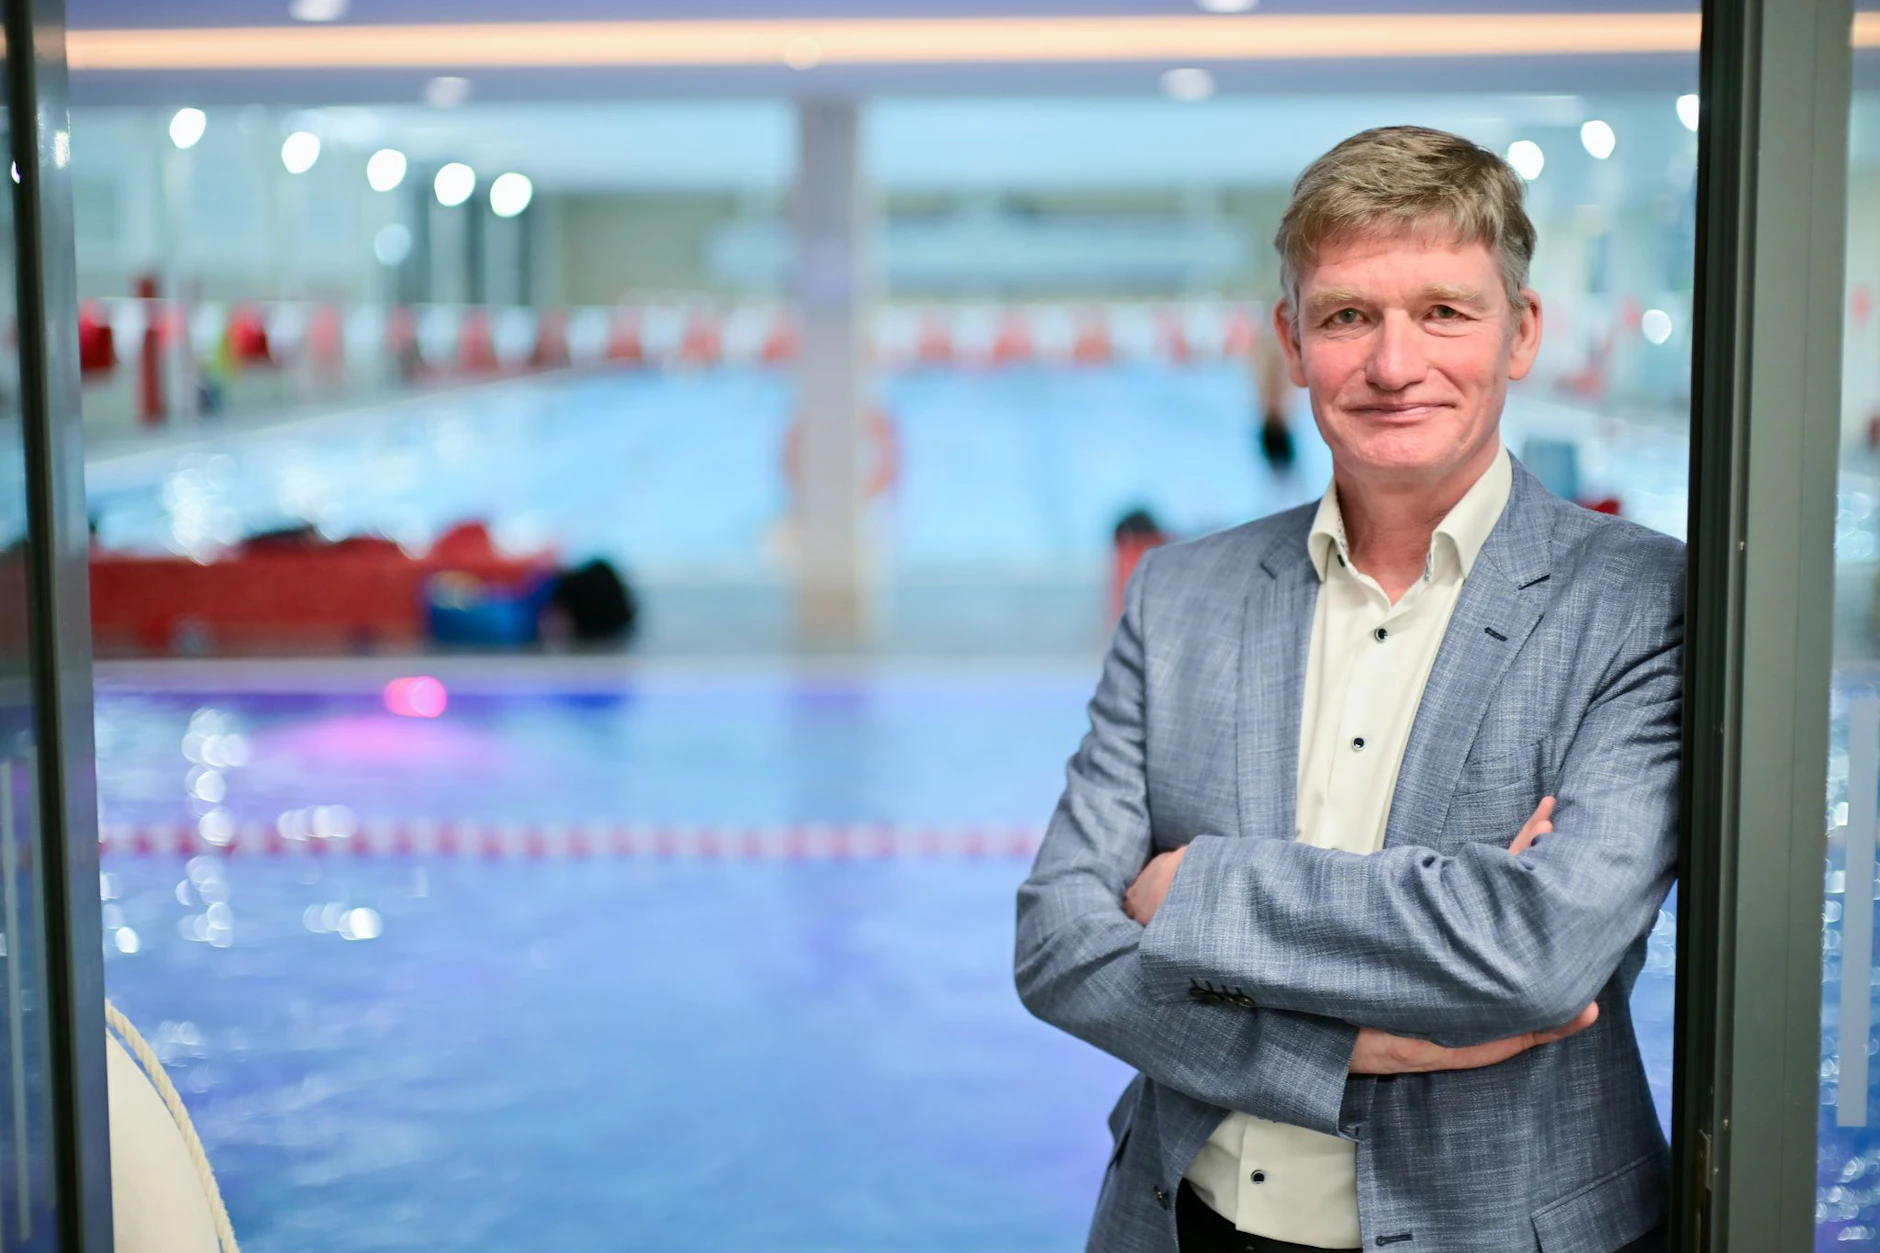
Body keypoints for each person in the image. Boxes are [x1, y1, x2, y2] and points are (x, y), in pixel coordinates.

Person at [1015, 125, 1681, 1253]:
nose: (1390, 363)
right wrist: (1341, 1046)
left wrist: (1193, 889)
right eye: (1345, 316)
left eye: (1443, 312)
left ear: (1519, 333)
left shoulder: (1636, 600)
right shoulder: (1182, 594)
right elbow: (1056, 942)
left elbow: (1536, 951)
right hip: (1183, 1218)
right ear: (1291, 338)